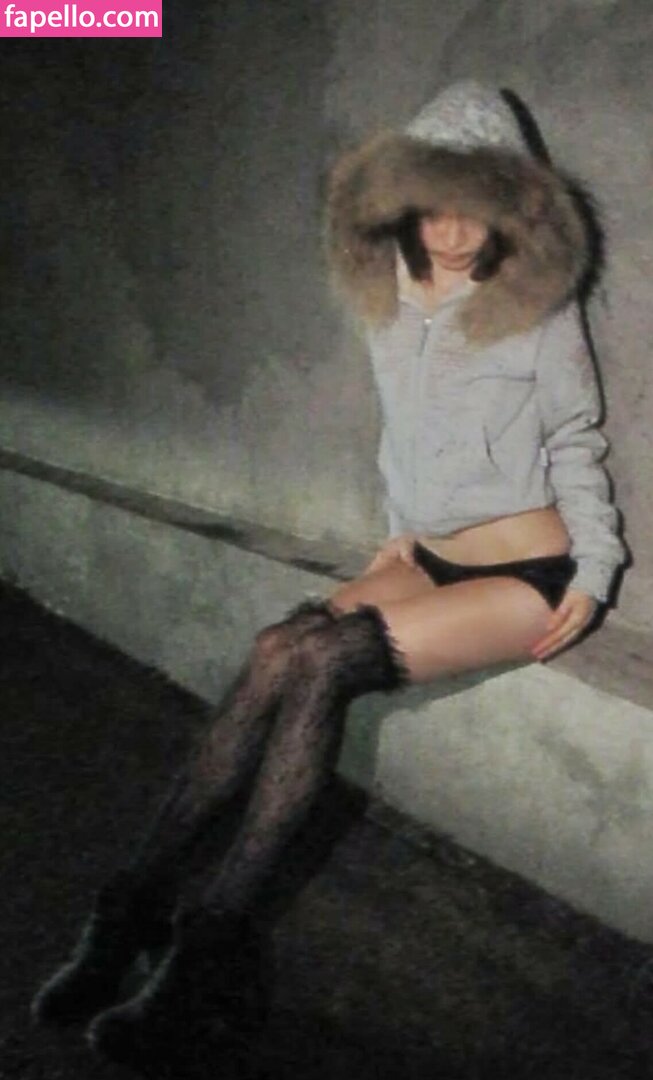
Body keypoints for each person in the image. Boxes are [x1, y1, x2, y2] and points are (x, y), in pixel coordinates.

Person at [31, 81, 625, 1072]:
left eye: (473, 206)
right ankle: (130, 910)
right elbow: (407, 430)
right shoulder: (387, 298)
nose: (451, 232)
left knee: (324, 660)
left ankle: (211, 954)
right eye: (432, 206)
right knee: (278, 649)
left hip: (525, 568)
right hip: (425, 557)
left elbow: (573, 437)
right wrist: (399, 534)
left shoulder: (536, 304)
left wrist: (596, 569)